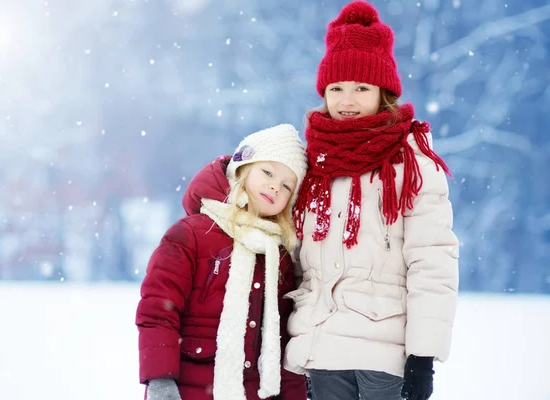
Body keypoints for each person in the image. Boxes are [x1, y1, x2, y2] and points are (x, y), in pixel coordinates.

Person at [283, 2, 460, 400]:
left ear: (384, 93)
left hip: (386, 357)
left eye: (361, 88)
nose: (347, 100)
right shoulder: (311, 162)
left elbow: (433, 262)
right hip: (321, 350)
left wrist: (423, 354)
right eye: (336, 88)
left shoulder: (410, 160)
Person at [136, 124, 308, 400]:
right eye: (267, 172)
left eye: (287, 185)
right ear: (242, 169)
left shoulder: (279, 255)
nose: (275, 186)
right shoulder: (190, 234)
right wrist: (160, 380)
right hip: (191, 390)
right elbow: (158, 312)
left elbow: (281, 339)